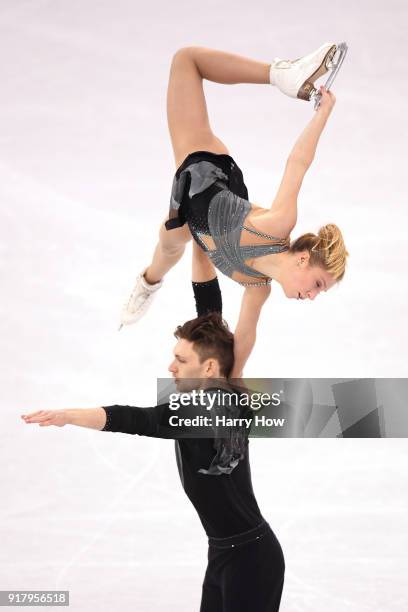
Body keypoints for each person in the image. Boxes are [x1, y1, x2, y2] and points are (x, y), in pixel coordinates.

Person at [21, 265, 285, 611]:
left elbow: (135, 418)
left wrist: (69, 416)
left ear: (207, 368)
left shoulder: (200, 412)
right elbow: (208, 306)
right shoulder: (228, 384)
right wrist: (197, 234)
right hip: (225, 551)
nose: (170, 368)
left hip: (251, 561)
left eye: (180, 359)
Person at [119, 43, 349, 378]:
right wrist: (323, 113)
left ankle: (153, 276)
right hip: (206, 171)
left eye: (318, 292)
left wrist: (233, 383)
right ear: (302, 259)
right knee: (187, 60)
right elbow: (297, 164)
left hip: (204, 230)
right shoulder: (278, 224)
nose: (312, 296)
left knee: (180, 242)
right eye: (317, 284)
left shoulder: (259, 288)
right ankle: (280, 74)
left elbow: (244, 335)